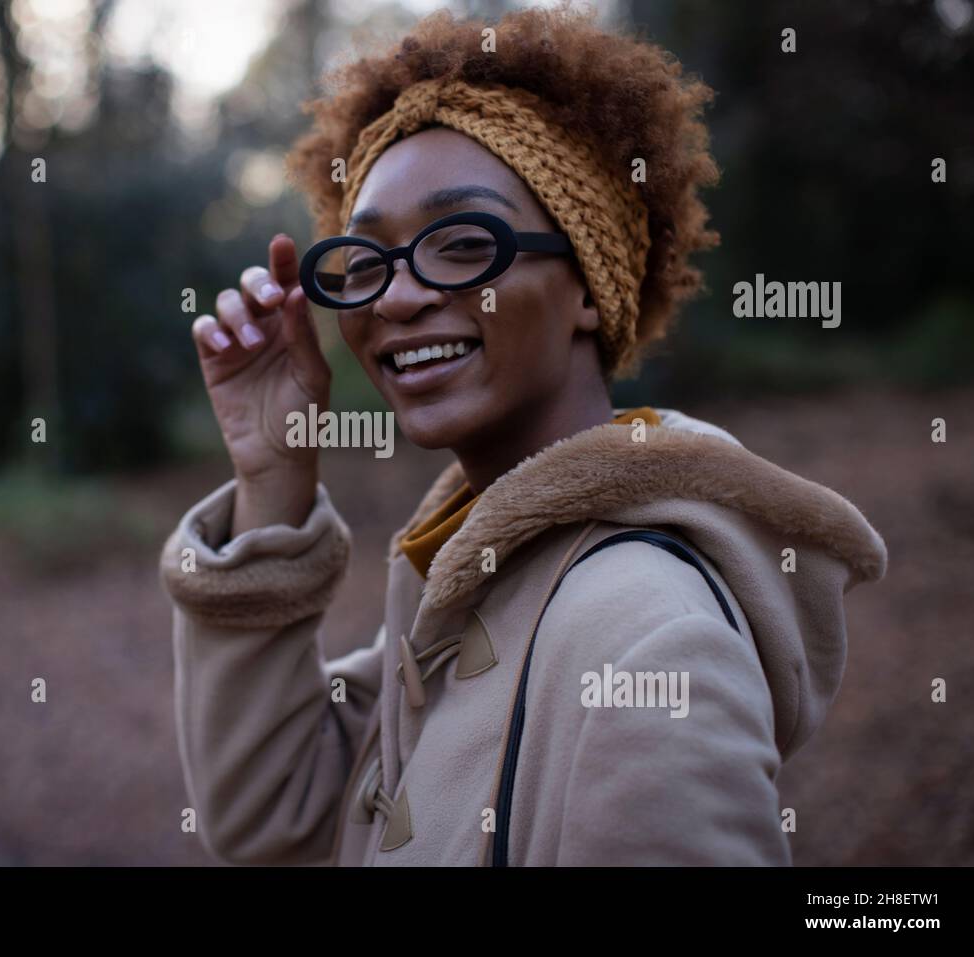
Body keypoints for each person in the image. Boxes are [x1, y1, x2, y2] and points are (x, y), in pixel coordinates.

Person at [157, 6, 887, 866]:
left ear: (587, 287)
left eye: (464, 243)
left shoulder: (644, 635)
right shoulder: (473, 581)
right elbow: (275, 819)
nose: (393, 297)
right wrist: (273, 472)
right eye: (364, 261)